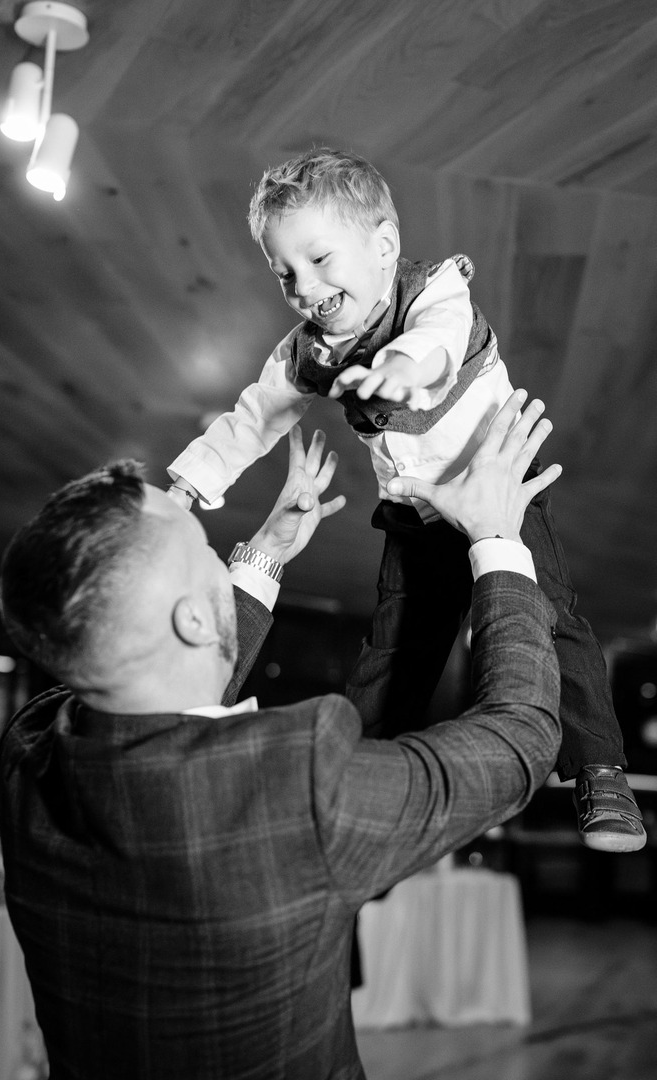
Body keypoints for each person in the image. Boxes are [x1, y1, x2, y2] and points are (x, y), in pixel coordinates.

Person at [0, 392, 561, 1080]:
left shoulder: (28, 753)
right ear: (194, 623)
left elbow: (156, 685)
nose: (214, 552)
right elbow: (518, 738)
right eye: (204, 547)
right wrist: (498, 539)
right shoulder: (301, 789)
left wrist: (263, 554)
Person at [166, 147, 644, 853]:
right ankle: (356, 772)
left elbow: (437, 345)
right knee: (395, 646)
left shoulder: (436, 294)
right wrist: (189, 485)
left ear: (384, 246)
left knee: (548, 618)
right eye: (285, 273)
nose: (303, 286)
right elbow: (254, 416)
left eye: (322, 260)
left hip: (496, 492)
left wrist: (397, 367)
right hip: (414, 515)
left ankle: (598, 769)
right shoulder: (306, 352)